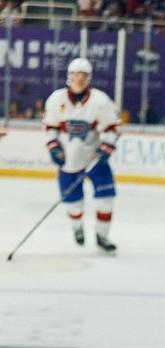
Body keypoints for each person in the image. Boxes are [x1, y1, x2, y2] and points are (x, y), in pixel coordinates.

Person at [43, 57, 121, 254]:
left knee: (106, 198)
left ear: (89, 78)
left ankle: (102, 236)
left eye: (83, 75)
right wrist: (53, 148)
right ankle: (77, 229)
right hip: (68, 160)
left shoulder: (100, 100)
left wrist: (106, 147)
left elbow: (111, 128)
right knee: (73, 204)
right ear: (69, 76)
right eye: (75, 74)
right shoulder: (56, 99)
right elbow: (50, 127)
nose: (79, 78)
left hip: (94, 160)